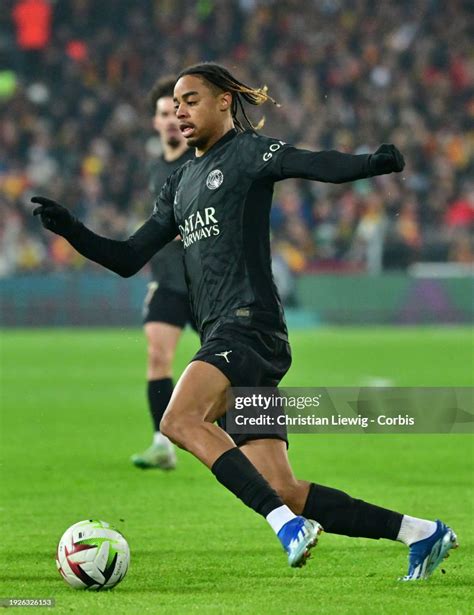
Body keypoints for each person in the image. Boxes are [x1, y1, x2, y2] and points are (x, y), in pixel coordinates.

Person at [32, 62, 457, 576]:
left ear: (224, 102)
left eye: (191, 100)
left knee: (178, 418)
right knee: (282, 487)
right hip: (233, 339)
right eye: (175, 103)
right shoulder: (179, 185)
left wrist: (372, 163)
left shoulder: (250, 154)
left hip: (249, 326)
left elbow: (313, 163)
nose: (180, 111)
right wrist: (72, 230)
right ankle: (423, 533)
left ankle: (285, 525)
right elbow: (127, 258)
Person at [131, 77, 194, 471]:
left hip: (208, 284)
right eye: (163, 114)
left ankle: (255, 439)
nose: (170, 120)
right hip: (168, 282)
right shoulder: (157, 168)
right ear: (155, 123)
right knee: (157, 356)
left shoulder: (203, 160)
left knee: (235, 367)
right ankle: (161, 443)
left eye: (175, 112)